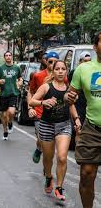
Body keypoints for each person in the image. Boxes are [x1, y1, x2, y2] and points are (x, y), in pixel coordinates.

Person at [29, 60, 80, 201]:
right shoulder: (46, 87)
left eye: (63, 69)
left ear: (66, 71)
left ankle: (59, 187)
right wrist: (42, 102)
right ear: (53, 71)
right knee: (48, 158)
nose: (60, 71)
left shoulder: (69, 88)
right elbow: (31, 101)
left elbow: (71, 105)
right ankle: (49, 176)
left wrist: (76, 119)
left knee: (62, 157)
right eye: (57, 69)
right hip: (46, 125)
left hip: (64, 125)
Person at [64, 31, 101, 208]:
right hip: (92, 128)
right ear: (95, 47)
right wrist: (68, 98)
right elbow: (69, 95)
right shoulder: (83, 69)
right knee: (86, 174)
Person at [27, 51, 59, 164]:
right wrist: (30, 108)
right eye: (50, 62)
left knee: (50, 145)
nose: (53, 64)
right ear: (46, 62)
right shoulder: (38, 75)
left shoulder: (62, 77)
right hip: (39, 112)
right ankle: (39, 149)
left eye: (55, 62)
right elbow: (30, 93)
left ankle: (47, 170)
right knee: (41, 139)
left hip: (55, 114)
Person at [0, 51, 22, 140]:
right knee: (3, 116)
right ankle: (5, 131)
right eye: (6, 55)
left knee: (12, 112)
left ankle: (10, 123)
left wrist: (20, 82)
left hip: (13, 93)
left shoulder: (17, 68)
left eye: (10, 55)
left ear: (12, 57)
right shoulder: (0, 68)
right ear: (4, 57)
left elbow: (20, 78)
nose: (8, 57)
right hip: (3, 94)